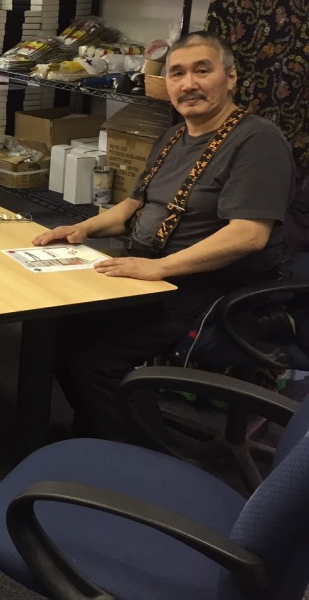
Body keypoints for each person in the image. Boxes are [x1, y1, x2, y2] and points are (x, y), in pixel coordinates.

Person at [32, 31, 295, 442]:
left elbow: (248, 236)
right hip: (151, 272)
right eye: (177, 73)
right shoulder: (174, 137)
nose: (188, 83)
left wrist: (159, 268)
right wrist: (83, 228)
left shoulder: (257, 141)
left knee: (96, 358)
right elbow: (131, 206)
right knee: (58, 330)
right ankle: (100, 432)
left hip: (209, 289)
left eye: (201, 71)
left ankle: (146, 459)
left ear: (231, 78)